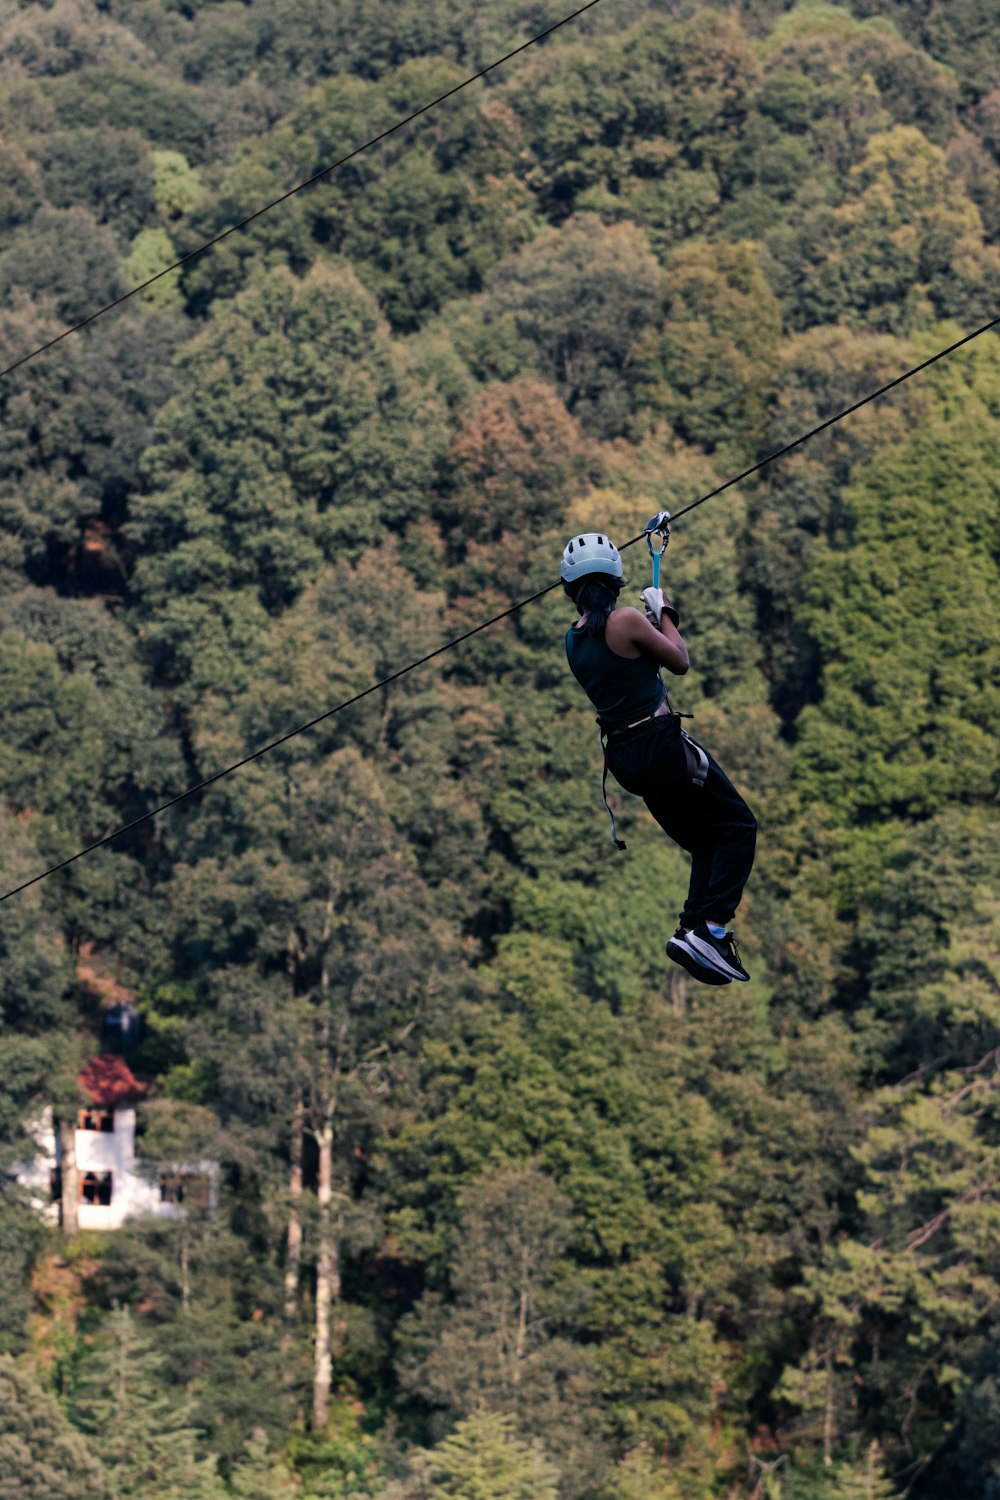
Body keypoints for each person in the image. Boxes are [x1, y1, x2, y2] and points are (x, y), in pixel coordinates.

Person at [561, 531, 757, 986]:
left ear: (571, 591)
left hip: (628, 761)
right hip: (662, 747)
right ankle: (711, 927)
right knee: (740, 827)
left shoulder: (572, 642)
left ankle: (692, 927)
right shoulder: (627, 620)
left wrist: (650, 621)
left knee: (706, 841)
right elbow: (680, 661)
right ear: (615, 584)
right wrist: (664, 611)